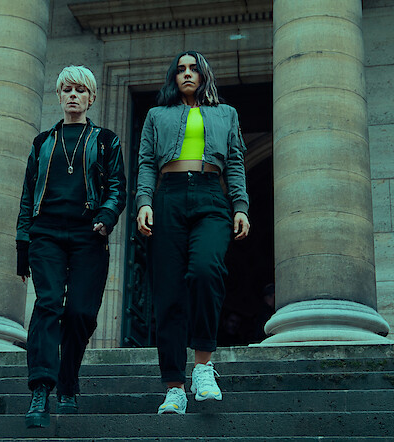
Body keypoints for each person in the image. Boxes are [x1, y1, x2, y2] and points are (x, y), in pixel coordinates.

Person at [135, 51, 250, 415]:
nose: (187, 74)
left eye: (193, 68)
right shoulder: (157, 115)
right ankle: (174, 387)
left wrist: (241, 206)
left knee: (205, 270)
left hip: (210, 196)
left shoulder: (225, 114)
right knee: (168, 293)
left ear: (204, 75)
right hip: (167, 197)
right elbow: (145, 161)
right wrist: (143, 201)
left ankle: (203, 366)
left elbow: (234, 162)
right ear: (173, 77)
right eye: (180, 69)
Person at [16, 65, 127, 428]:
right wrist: (23, 243)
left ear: (91, 98)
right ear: (60, 97)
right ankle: (41, 390)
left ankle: (68, 381)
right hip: (46, 231)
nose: (74, 96)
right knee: (47, 305)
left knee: (81, 313)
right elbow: (27, 195)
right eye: (67, 90)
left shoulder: (105, 140)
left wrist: (107, 217)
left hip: (88, 234)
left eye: (81, 90)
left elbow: (117, 186)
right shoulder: (42, 142)